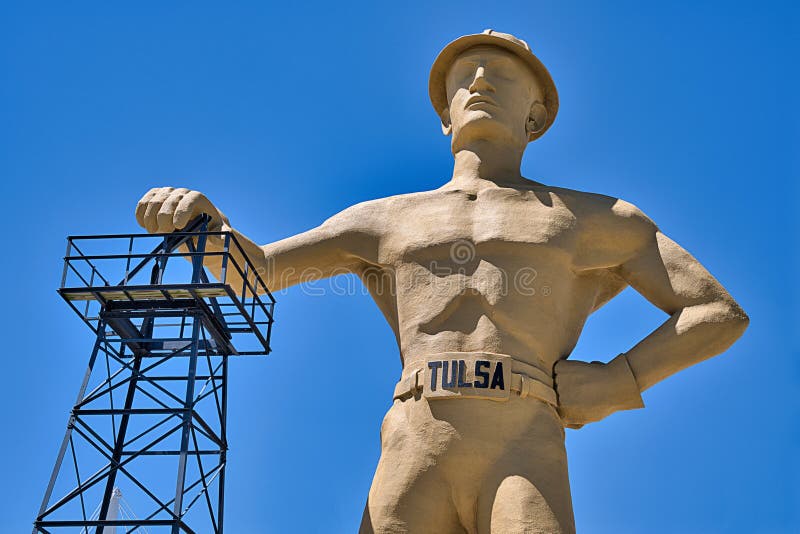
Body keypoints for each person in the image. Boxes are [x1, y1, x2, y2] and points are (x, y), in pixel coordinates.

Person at [136, 30, 748, 534]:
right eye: (466, 77)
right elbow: (258, 273)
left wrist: (621, 378)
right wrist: (206, 224)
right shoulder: (383, 219)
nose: (479, 83)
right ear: (444, 115)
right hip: (415, 435)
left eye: (501, 75)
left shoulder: (593, 218)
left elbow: (715, 311)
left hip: (522, 439)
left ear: (535, 115)